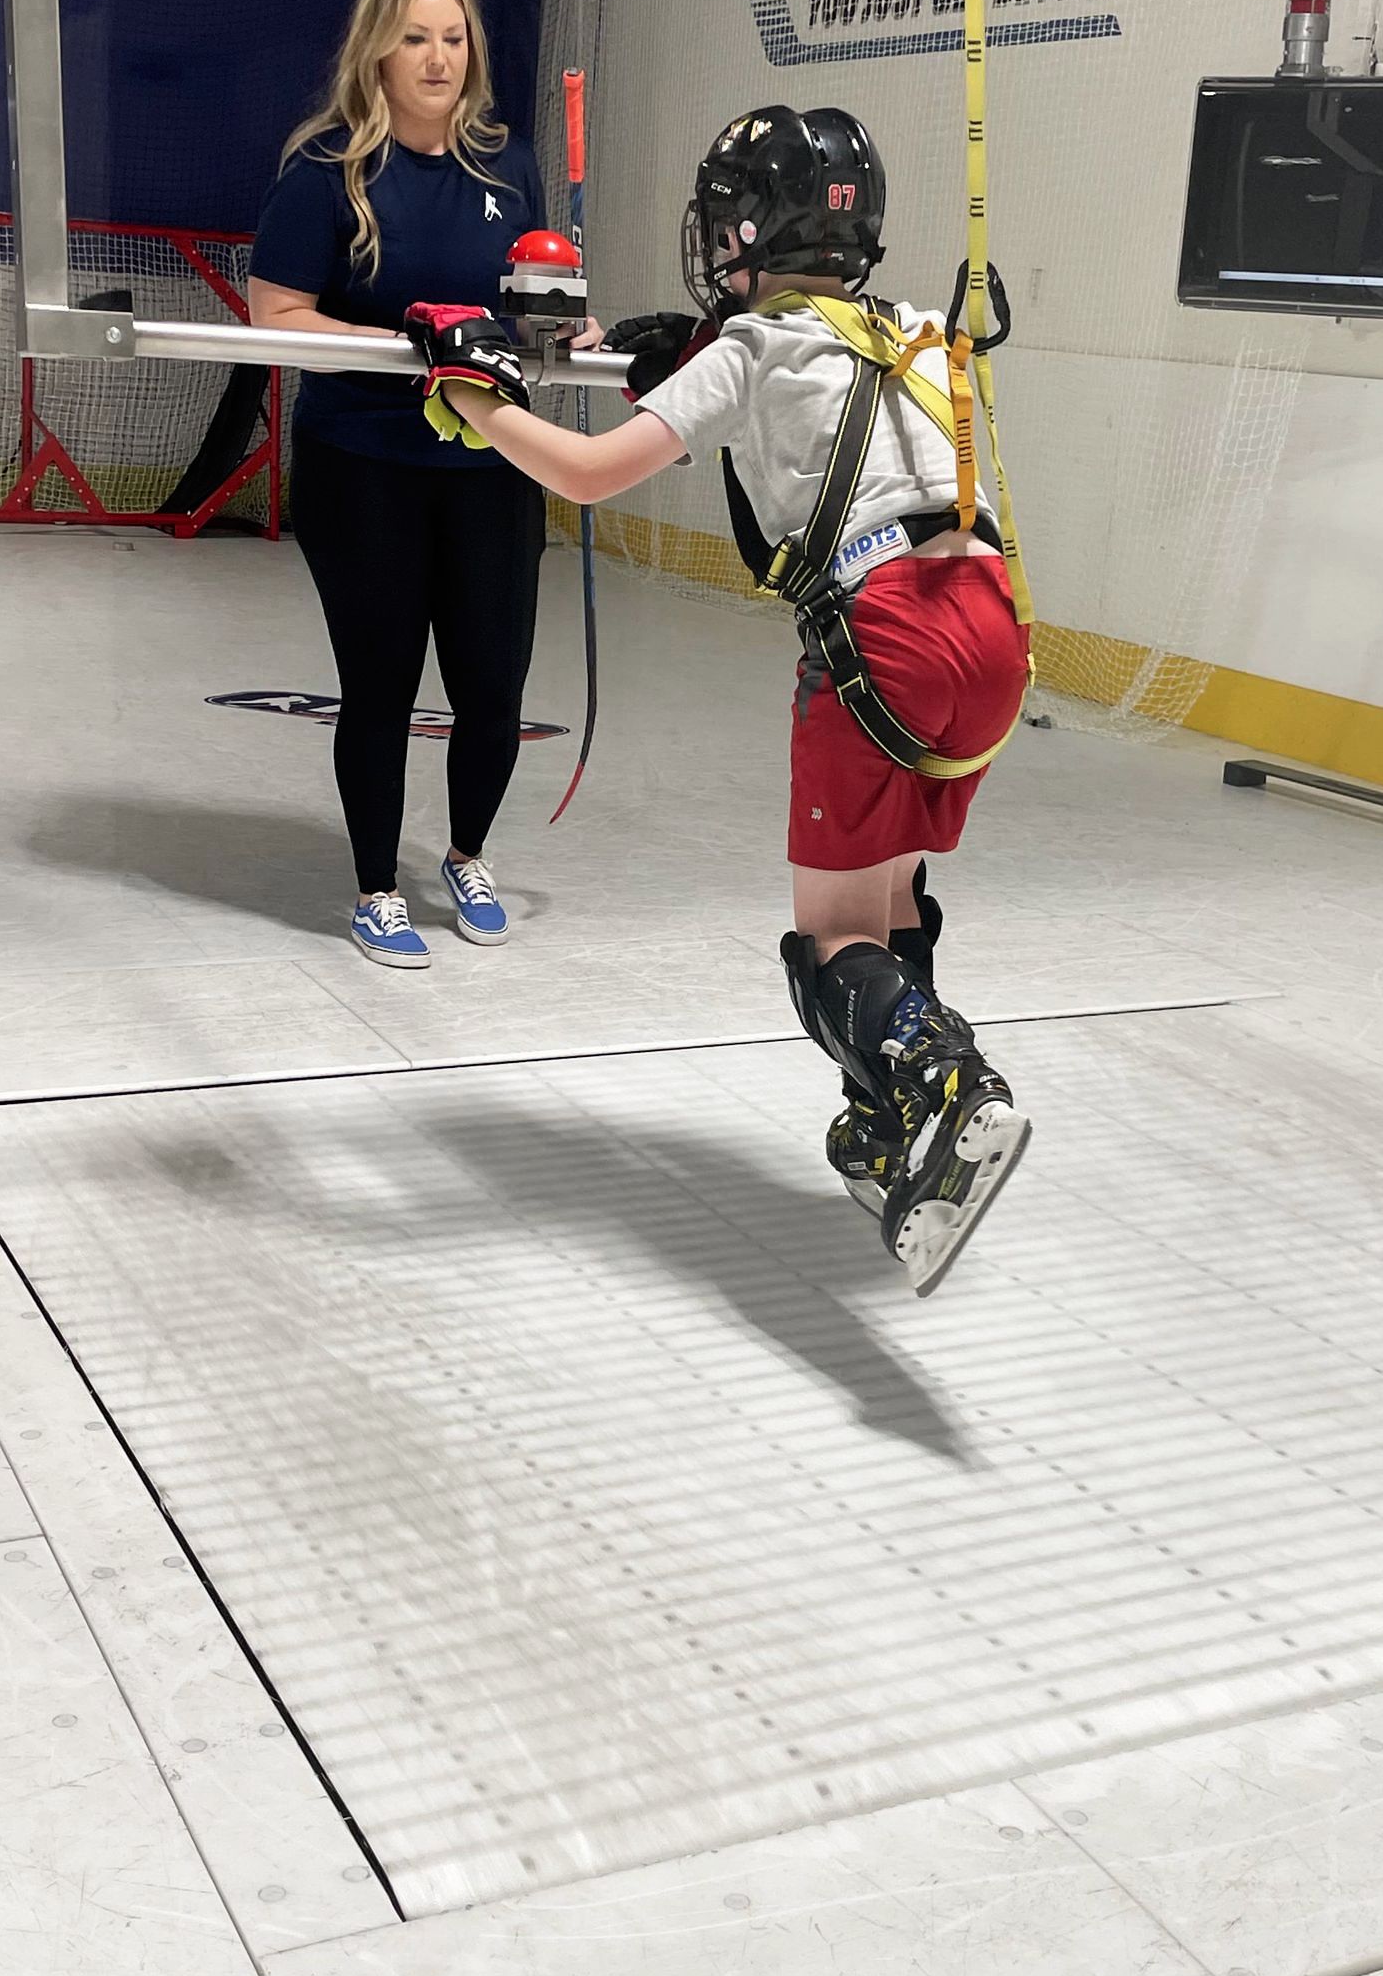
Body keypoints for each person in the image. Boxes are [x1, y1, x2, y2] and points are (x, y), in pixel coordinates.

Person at [404, 105, 1032, 1294]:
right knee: (891, 902)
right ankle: (888, 1129)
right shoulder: (916, 327)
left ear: (745, 230)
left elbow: (587, 474)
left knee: (830, 943)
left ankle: (949, 1082)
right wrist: (693, 349)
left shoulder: (749, 350)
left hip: (882, 638)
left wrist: (472, 388)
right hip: (991, 624)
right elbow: (824, 406)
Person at [249, 0, 595, 967]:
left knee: (493, 685)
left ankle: (467, 856)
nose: (437, 58)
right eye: (415, 38)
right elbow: (276, 313)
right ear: (378, 51)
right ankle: (375, 889)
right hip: (365, 464)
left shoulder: (507, 166)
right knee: (383, 686)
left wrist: (564, 329)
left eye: (453, 38)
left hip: (492, 461)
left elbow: (527, 302)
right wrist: (408, 342)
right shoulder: (327, 169)